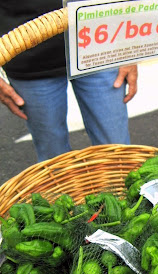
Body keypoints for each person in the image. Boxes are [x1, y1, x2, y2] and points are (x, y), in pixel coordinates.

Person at [0, 1, 138, 162]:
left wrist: (130, 47)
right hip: (27, 54)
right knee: (53, 160)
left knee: (117, 154)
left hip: (101, 42)